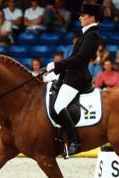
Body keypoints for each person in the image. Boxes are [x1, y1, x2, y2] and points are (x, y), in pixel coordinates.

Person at [45, 2, 102, 156]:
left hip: (77, 78)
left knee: (59, 106)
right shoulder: (86, 34)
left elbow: (78, 59)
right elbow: (73, 58)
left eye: (83, 15)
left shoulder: (93, 35)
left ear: (92, 17)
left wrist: (57, 65)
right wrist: (57, 72)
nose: (80, 17)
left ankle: (75, 142)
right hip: (71, 75)